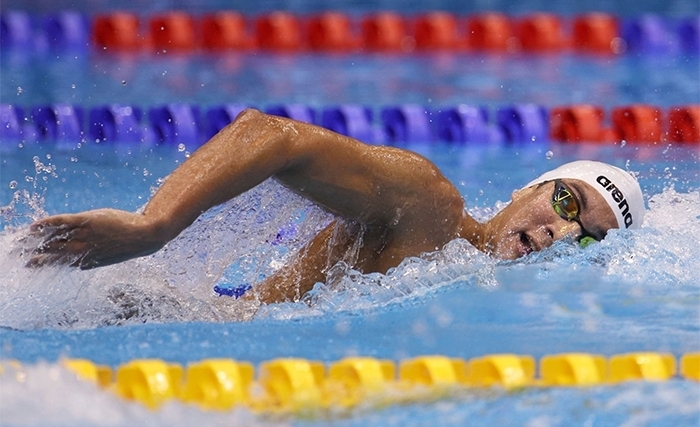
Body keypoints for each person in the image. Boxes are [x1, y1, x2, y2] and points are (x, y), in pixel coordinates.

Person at [27, 108, 645, 304]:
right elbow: (274, 135)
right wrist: (152, 227)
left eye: (587, 235)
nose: (561, 231)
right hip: (180, 321)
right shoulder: (431, 208)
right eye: (566, 200)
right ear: (527, 188)